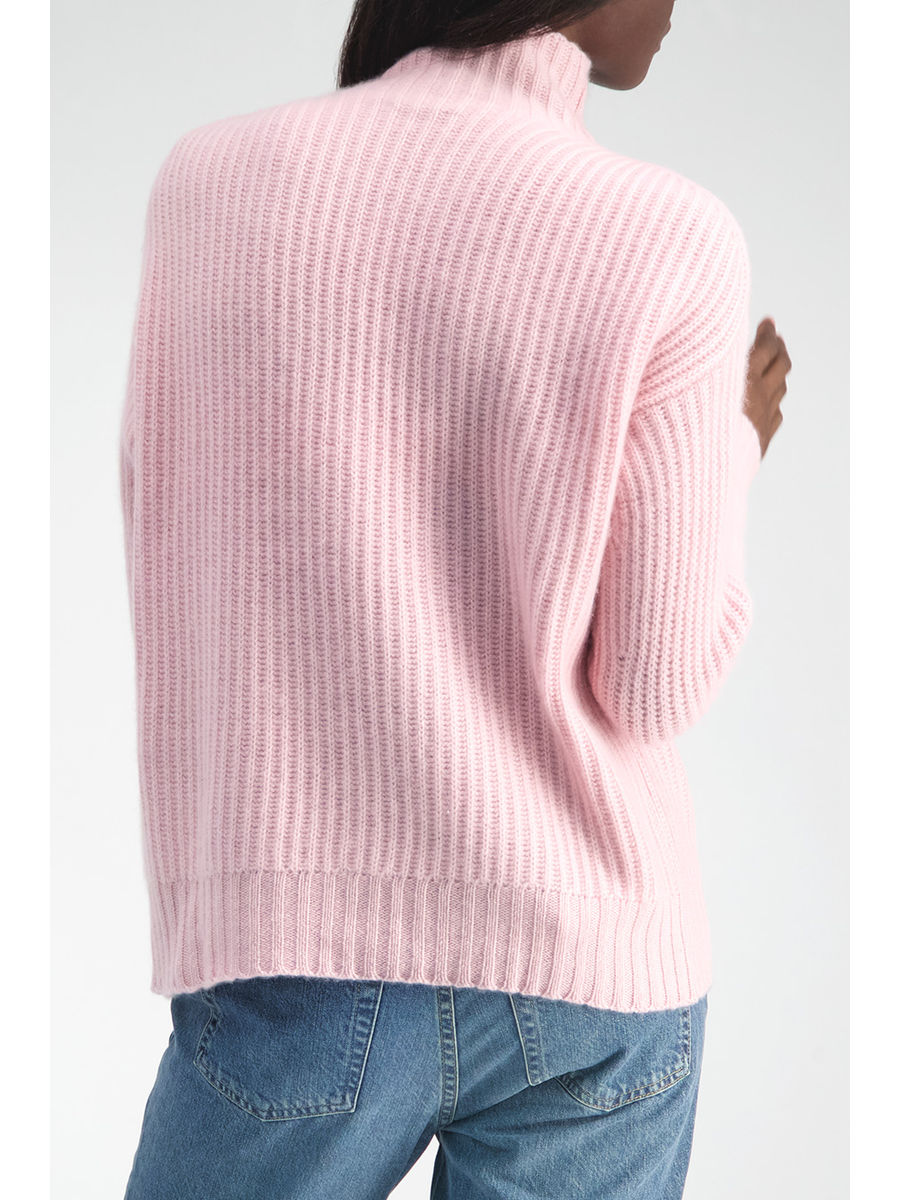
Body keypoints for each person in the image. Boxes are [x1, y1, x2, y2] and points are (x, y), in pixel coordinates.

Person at [119, 1, 791, 1196]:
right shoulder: (672, 235)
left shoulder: (207, 185)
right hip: (596, 974)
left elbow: (166, 520)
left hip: (293, 944)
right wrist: (731, 451)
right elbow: (656, 682)